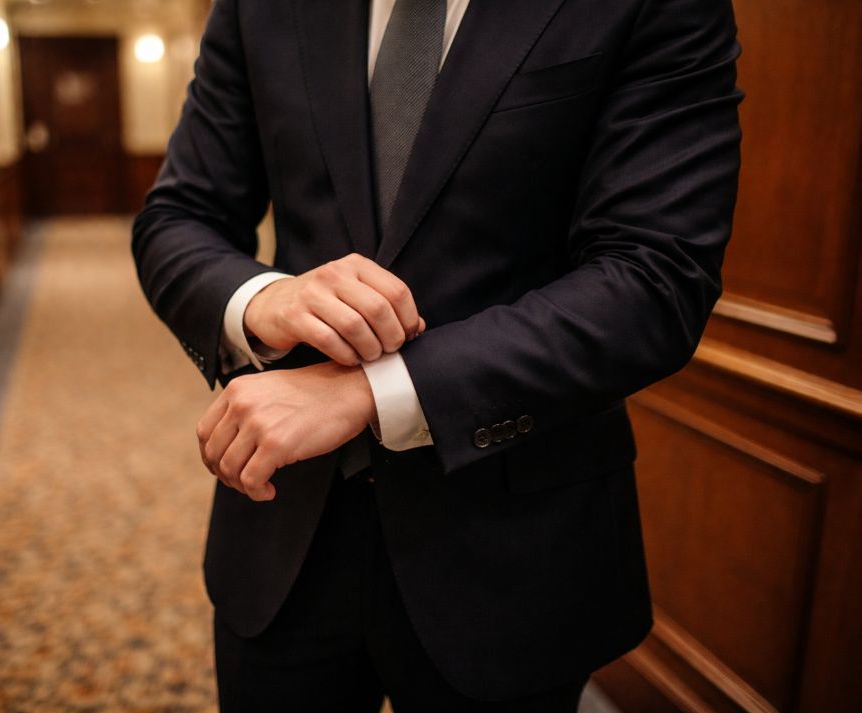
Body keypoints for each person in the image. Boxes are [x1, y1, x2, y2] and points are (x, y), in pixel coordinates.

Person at [131, 0, 742, 710]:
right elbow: (178, 216)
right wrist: (262, 300)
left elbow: (654, 277)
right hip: (281, 526)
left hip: (513, 546)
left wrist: (372, 390)